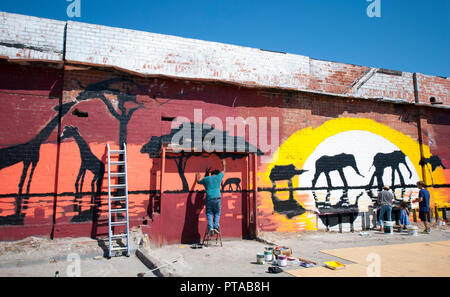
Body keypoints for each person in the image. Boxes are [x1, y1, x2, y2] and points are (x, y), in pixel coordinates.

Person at [196, 159, 226, 236]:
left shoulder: (206, 179)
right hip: (217, 198)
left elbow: (198, 181)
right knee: (217, 213)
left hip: (209, 198)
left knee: (209, 213)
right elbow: (224, 171)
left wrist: (197, 176)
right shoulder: (219, 177)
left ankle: (211, 228)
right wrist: (224, 164)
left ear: (211, 174)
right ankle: (215, 227)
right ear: (216, 174)